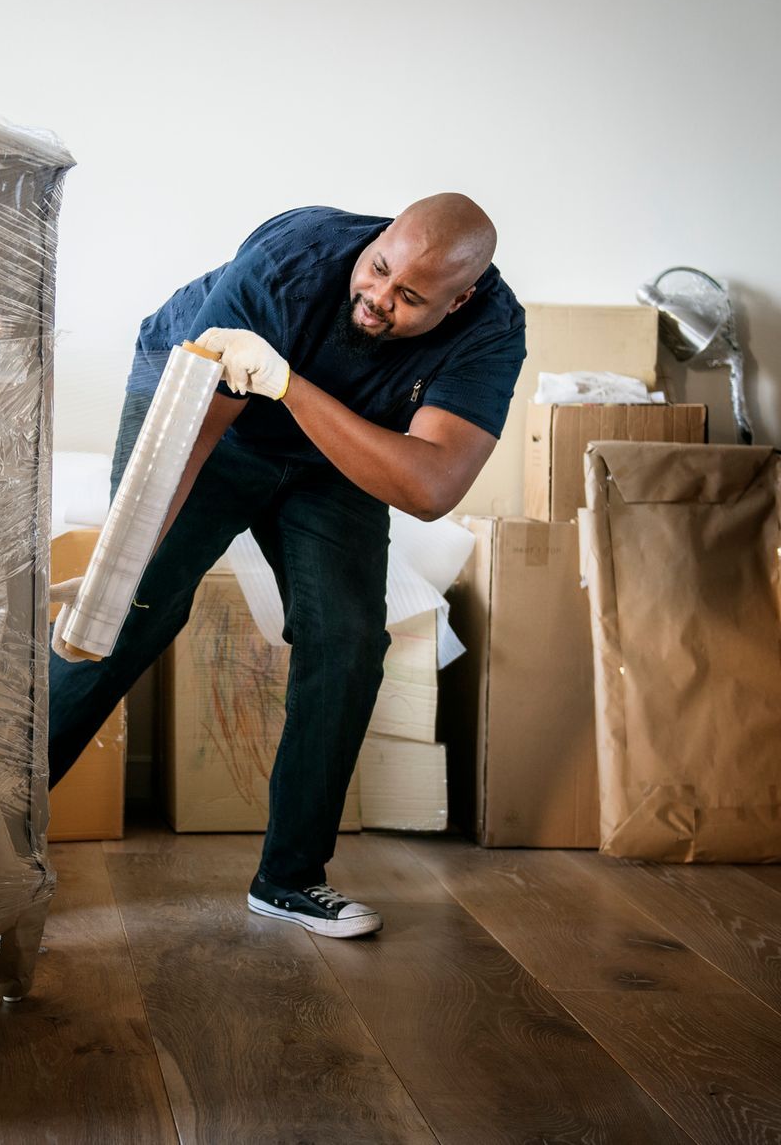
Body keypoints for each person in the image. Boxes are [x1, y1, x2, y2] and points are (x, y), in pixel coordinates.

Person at [49, 194, 525, 938]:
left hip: (330, 441)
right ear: (378, 239)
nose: (376, 298)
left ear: (460, 300)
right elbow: (197, 433)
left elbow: (431, 487)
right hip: (204, 406)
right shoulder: (290, 262)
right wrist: (124, 561)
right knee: (132, 611)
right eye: (377, 270)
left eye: (409, 298)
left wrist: (290, 386)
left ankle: (291, 877)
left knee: (349, 637)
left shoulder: (492, 331)